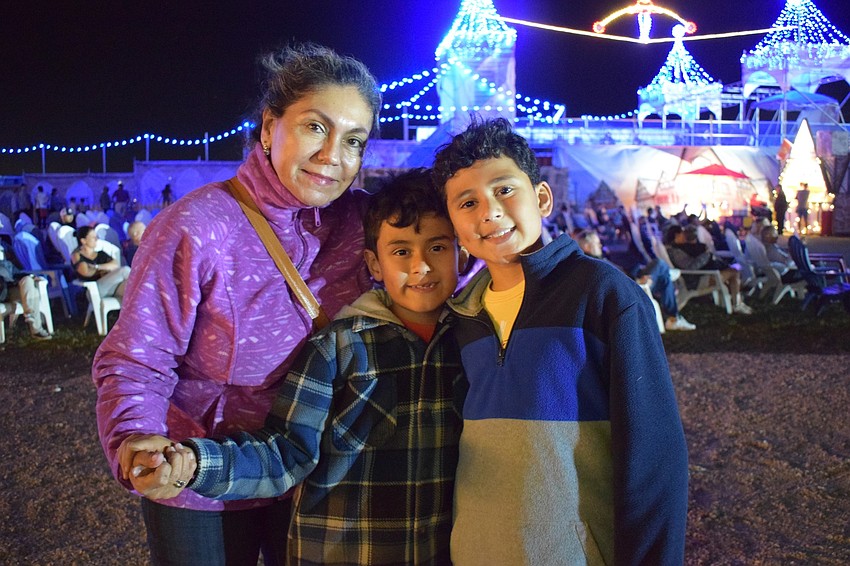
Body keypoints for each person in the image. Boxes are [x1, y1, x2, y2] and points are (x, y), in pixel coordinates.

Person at [91, 43, 381, 566]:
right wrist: (138, 439)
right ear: (270, 127)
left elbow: (458, 244)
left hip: (312, 472)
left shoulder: (367, 223)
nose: (333, 155)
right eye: (315, 127)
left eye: (353, 140)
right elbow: (139, 356)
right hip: (204, 475)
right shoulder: (198, 227)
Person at [128, 169, 466, 565]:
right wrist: (196, 463)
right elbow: (288, 449)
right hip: (345, 552)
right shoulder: (341, 347)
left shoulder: (472, 340)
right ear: (373, 264)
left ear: (462, 251)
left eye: (438, 248)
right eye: (401, 251)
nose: (421, 266)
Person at [431, 117, 688, 564]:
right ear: (455, 225)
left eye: (505, 190)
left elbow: (654, 459)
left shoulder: (604, 296)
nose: (488, 211)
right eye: (467, 202)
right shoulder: (461, 318)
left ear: (542, 198)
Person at [577, 228, 695, 331]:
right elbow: (611, 282)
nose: (600, 245)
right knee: (660, 265)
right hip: (630, 290)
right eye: (597, 243)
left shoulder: (597, 260)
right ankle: (673, 317)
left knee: (664, 278)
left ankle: (673, 317)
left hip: (631, 283)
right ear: (587, 247)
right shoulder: (594, 264)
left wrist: (635, 277)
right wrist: (636, 282)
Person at [666, 224, 753, 314]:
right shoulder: (675, 252)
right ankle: (737, 303)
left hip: (700, 276)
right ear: (677, 235)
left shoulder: (680, 248)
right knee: (734, 272)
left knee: (732, 271)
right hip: (696, 281)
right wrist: (706, 255)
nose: (685, 235)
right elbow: (691, 268)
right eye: (682, 233)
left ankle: (737, 300)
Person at [0, 246, 52, 340]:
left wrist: (32, 277)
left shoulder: (6, 264)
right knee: (33, 291)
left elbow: (18, 274)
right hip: (2, 294)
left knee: (28, 280)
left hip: (12, 290)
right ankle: (36, 329)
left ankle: (30, 316)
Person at [71, 226, 131, 300]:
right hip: (93, 289)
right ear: (83, 240)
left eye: (96, 236)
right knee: (125, 270)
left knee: (130, 288)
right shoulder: (77, 255)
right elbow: (86, 272)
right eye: (93, 237)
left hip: (109, 287)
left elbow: (115, 265)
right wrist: (106, 268)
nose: (96, 239)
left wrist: (97, 267)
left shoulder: (101, 254)